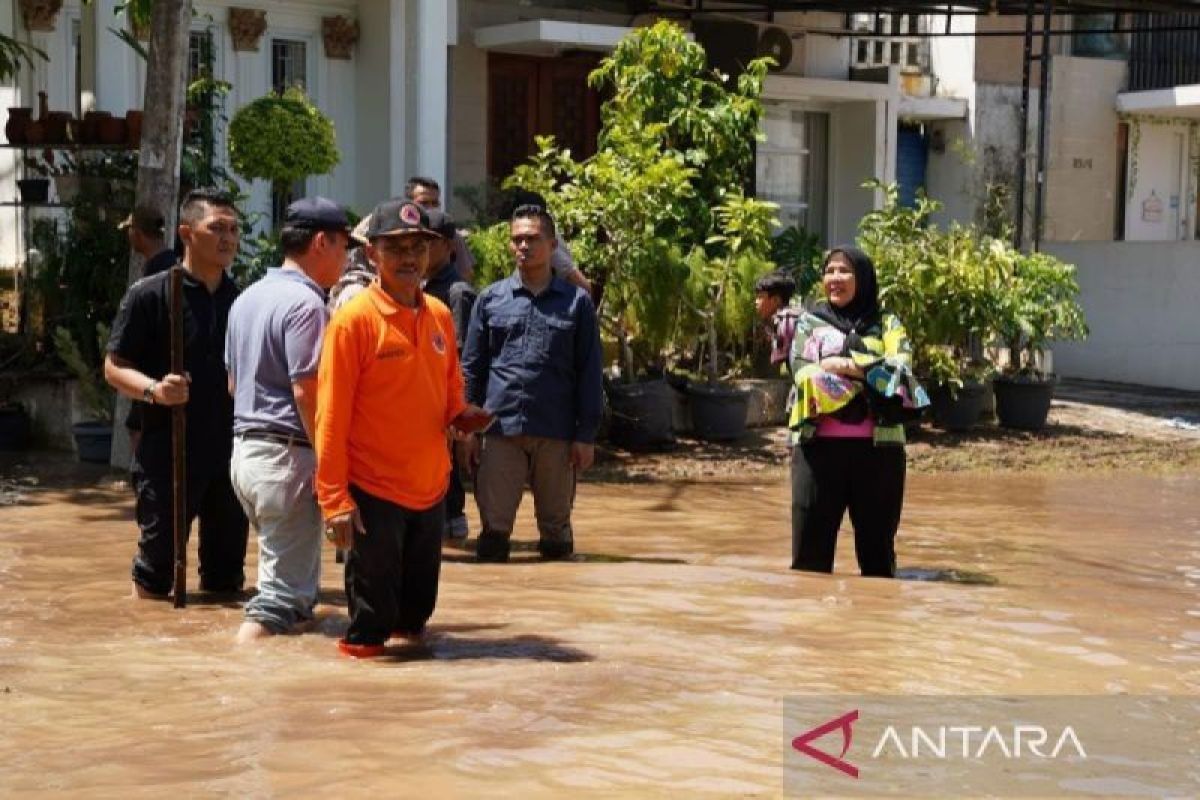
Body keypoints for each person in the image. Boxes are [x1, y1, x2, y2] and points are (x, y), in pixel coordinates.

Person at [315, 200, 489, 658]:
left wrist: (463, 418)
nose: (409, 258)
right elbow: (329, 414)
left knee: (415, 622)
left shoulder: (440, 315)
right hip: (374, 492)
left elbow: (452, 387)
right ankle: (362, 715)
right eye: (396, 249)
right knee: (369, 631)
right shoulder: (353, 321)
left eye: (418, 247)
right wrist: (334, 501)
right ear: (372, 254)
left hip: (430, 490)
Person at [104, 188, 249, 600]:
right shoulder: (150, 294)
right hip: (167, 450)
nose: (228, 239)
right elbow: (113, 367)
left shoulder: (242, 301)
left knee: (225, 579)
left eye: (234, 229)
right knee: (155, 573)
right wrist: (154, 390)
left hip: (228, 454)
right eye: (217, 228)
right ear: (187, 233)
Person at [225, 197, 349, 642]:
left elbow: (233, 386)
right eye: (343, 247)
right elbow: (307, 390)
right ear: (321, 242)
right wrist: (332, 461)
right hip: (287, 457)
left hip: (246, 457)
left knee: (294, 599)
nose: (347, 258)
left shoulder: (246, 298)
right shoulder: (307, 305)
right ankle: (243, 679)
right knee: (278, 602)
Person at [461, 205, 604, 563]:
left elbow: (589, 373)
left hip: (555, 432)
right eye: (518, 239)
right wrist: (467, 431)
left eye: (533, 239)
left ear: (552, 244)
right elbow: (472, 370)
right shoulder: (490, 299)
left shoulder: (577, 303)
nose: (524, 246)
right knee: (493, 535)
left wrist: (585, 436)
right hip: (499, 430)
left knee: (556, 535)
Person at [788, 246, 929, 578]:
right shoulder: (808, 323)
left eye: (845, 271)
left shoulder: (887, 323)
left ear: (863, 278)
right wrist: (872, 376)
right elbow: (803, 372)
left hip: (880, 454)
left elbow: (901, 370)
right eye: (830, 271)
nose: (835, 278)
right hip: (816, 449)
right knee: (809, 560)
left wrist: (848, 367)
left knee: (878, 559)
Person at [422, 209, 478, 543]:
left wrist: (462, 421)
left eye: (426, 243)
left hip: (446, 404)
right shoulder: (416, 287)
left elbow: (462, 360)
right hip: (422, 403)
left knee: (447, 482)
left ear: (447, 246)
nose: (418, 251)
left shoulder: (457, 293)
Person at [405, 177, 475, 284]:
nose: (431, 208)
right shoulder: (398, 234)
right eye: (424, 203)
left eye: (435, 203)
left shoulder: (452, 236)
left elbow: (466, 276)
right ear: (409, 205)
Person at [120, 204, 176, 278]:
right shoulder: (171, 261)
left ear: (138, 233)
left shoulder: (157, 271)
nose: (128, 234)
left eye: (129, 228)